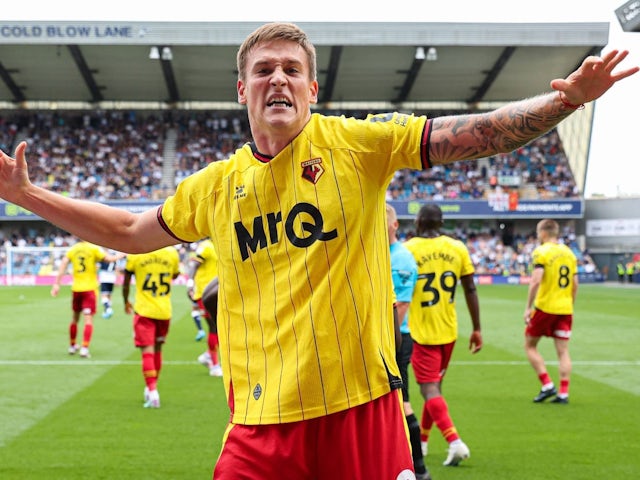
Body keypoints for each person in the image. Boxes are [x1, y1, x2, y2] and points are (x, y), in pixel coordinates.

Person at [0, 22, 636, 479]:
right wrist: (27, 196)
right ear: (242, 90)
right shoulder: (215, 189)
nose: (278, 78)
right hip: (257, 425)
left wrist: (566, 100)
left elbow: (467, 137)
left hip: (358, 412)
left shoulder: (356, 146)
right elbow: (126, 232)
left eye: (291, 69)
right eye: (263, 70)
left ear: (312, 89)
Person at [404, 203, 482, 467]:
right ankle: (423, 442)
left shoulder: (408, 249)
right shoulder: (457, 247)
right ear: (441, 222)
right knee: (435, 389)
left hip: (420, 331)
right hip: (449, 331)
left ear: (418, 222)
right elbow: (470, 289)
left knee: (428, 389)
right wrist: (477, 328)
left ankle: (454, 441)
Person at [387, 204, 429, 479]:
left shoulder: (401, 258)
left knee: (401, 403)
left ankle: (419, 468)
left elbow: (400, 305)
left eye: (383, 220)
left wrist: (388, 342)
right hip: (381, 339)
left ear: (394, 225)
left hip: (395, 339)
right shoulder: (376, 252)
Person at [524, 219, 578, 405]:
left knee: (530, 345)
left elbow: (536, 280)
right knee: (563, 351)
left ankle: (547, 384)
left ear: (544, 233)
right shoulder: (569, 253)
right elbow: (575, 283)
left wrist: (528, 307)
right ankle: (563, 393)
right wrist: (570, 304)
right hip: (565, 308)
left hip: (545, 307)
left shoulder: (541, 252)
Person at [122, 245, 181, 408]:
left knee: (147, 353)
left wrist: (125, 300)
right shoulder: (172, 253)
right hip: (164, 310)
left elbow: (126, 281)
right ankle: (151, 390)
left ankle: (152, 390)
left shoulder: (136, 253)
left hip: (144, 310)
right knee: (158, 350)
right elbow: (175, 275)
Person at [51, 238, 122, 358]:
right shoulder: (93, 248)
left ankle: (72, 346)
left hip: (76, 288)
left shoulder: (73, 249)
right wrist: (123, 254)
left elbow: (63, 263)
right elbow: (110, 259)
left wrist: (57, 284)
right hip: (89, 289)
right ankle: (84, 348)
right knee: (88, 320)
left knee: (75, 319)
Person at [187, 238, 222, 377]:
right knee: (214, 327)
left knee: (219, 327)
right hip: (205, 294)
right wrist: (190, 283)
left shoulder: (218, 244)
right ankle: (214, 365)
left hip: (217, 292)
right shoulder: (206, 246)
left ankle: (209, 356)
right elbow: (194, 264)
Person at [186, 245, 207, 341]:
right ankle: (201, 330)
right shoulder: (201, 252)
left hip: (200, 287)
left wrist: (190, 283)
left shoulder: (204, 249)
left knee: (196, 309)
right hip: (198, 286)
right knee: (194, 308)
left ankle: (201, 330)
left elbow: (193, 267)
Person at [98, 250, 121, 319]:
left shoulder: (102, 254)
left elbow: (98, 266)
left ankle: (108, 309)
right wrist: (117, 280)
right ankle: (107, 310)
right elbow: (117, 268)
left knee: (104, 295)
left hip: (104, 275)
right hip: (112, 276)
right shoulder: (114, 254)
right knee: (109, 295)